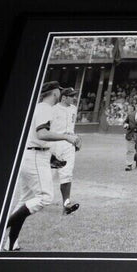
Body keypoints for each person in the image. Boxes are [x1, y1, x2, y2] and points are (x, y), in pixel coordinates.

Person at [3, 81, 81, 251]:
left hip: (32, 153)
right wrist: (66, 137)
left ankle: (10, 244)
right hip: (35, 155)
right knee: (45, 197)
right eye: (58, 91)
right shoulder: (45, 108)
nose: (60, 93)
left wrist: (51, 155)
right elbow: (42, 133)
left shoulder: (38, 107)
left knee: (24, 200)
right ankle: (1, 228)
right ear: (54, 92)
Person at [50, 87, 81, 215]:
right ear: (64, 97)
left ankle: (66, 204)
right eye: (71, 96)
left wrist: (76, 139)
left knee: (67, 173)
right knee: (48, 174)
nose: (74, 98)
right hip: (55, 142)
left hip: (69, 144)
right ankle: (35, 199)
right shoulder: (53, 109)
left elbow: (71, 127)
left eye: (74, 95)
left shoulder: (73, 109)